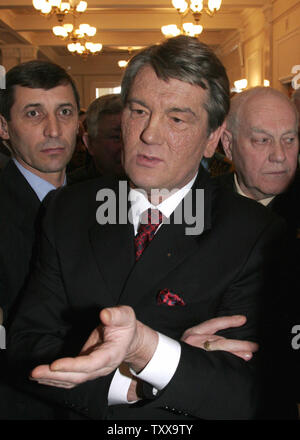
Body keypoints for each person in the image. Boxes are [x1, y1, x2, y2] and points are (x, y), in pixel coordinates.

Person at [8, 36, 296, 420]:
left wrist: (147, 349)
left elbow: (254, 393)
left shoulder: (257, 234)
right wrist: (143, 376)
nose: (149, 134)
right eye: (139, 111)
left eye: (176, 118)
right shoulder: (69, 209)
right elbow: (28, 345)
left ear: (213, 138)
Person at [0, 59, 80, 419]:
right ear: (4, 127)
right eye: (33, 114)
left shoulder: (102, 203)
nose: (53, 129)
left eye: (65, 112)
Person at [68, 94, 125, 184]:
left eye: (130, 136)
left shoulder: (150, 186)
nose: (126, 146)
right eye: (116, 137)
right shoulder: (69, 191)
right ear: (89, 143)